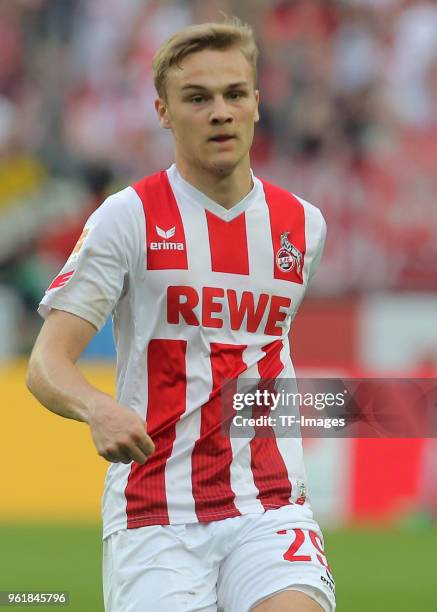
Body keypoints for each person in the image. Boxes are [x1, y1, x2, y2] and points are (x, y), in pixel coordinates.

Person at [26, 18, 335, 612]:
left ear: (257, 104)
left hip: (268, 504)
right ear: (164, 112)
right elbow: (46, 360)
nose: (220, 112)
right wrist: (97, 407)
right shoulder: (127, 218)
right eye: (197, 98)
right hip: (154, 512)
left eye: (234, 94)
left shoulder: (304, 225)